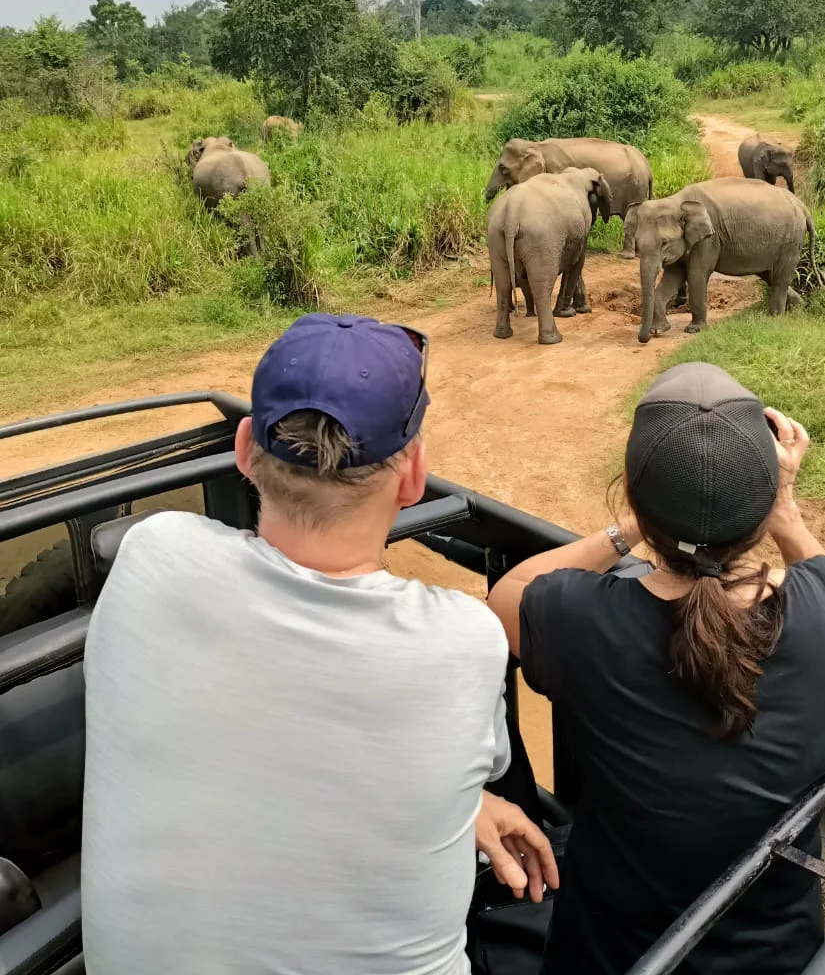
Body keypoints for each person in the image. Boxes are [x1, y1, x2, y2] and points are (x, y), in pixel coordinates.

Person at [82, 312, 557, 975]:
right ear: (414, 477)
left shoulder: (153, 553)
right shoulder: (462, 641)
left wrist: (462, 803)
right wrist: (464, 801)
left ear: (244, 449)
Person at [488, 362, 825, 975]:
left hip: (612, 953)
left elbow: (508, 595)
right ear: (762, 503)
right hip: (777, 958)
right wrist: (784, 511)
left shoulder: (578, 618)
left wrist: (629, 529)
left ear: (634, 497)